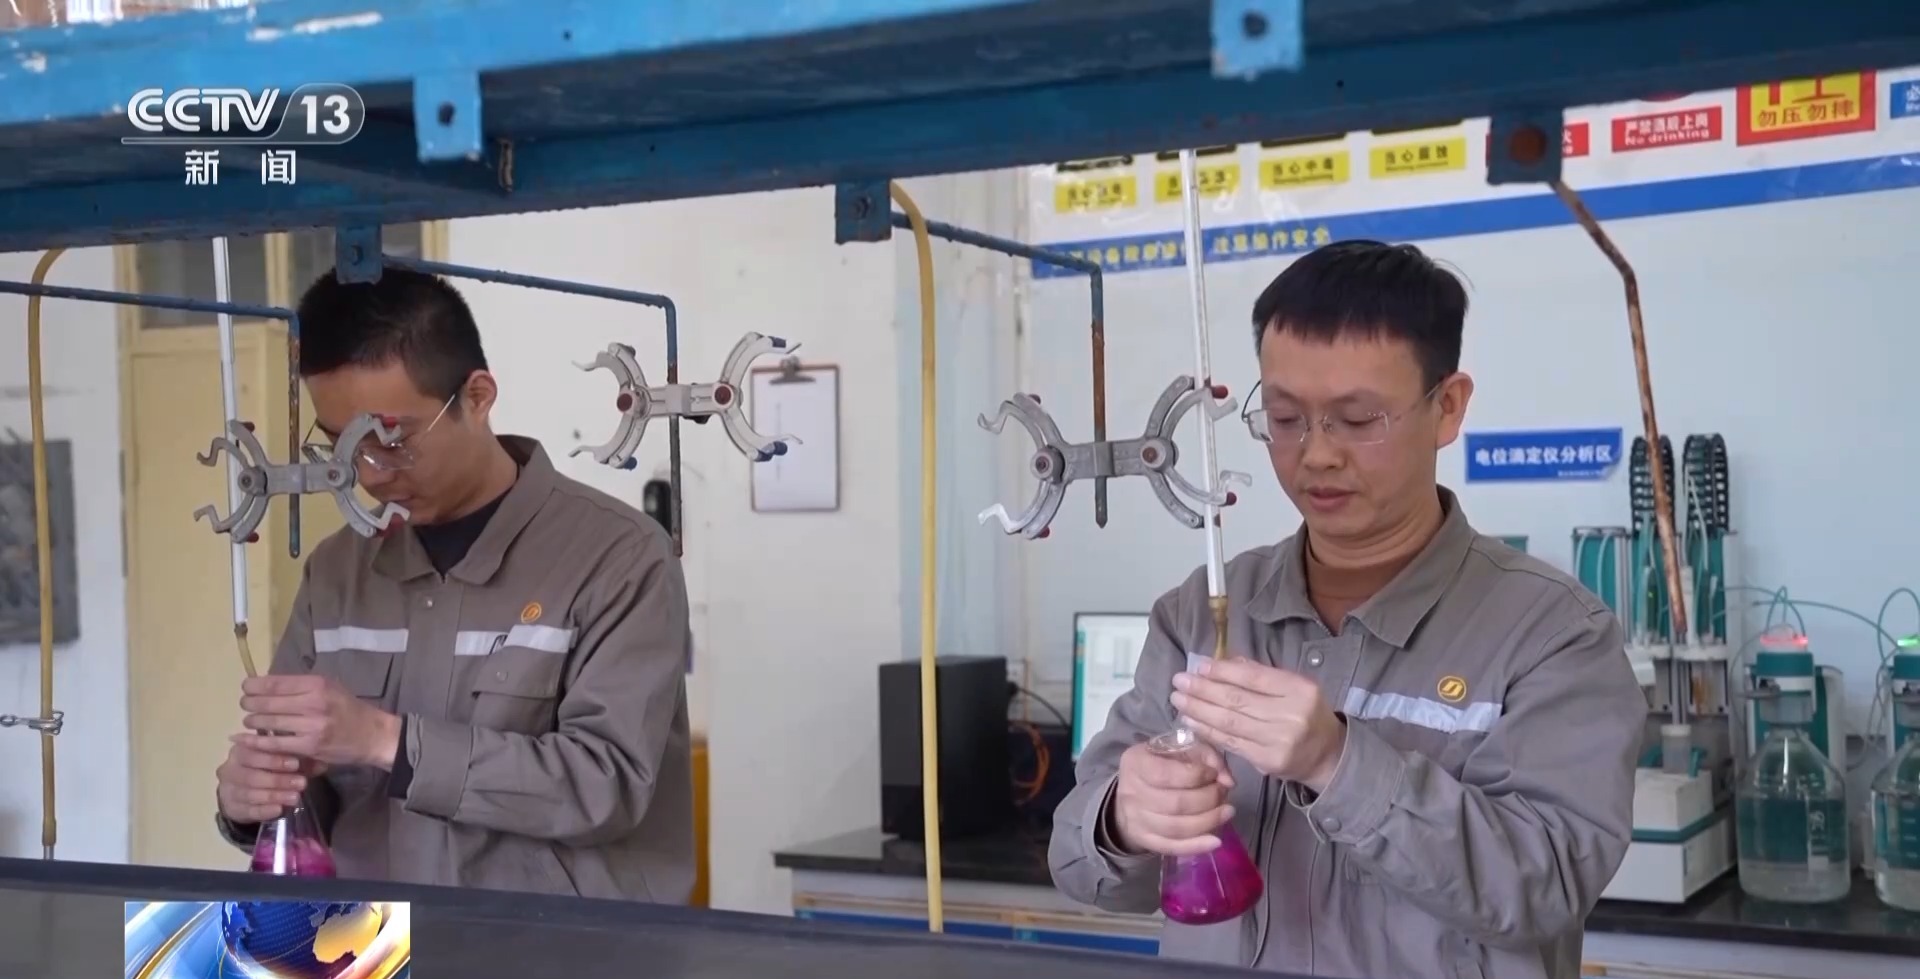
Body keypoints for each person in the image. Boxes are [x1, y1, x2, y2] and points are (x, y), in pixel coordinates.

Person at [1049, 241, 1644, 979]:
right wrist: (1123, 819)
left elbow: (1544, 885)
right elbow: (1078, 864)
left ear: (1447, 406)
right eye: (1285, 417)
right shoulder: (1200, 615)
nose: (1317, 454)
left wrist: (1337, 763)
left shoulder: (1553, 635)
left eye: (1358, 419)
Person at [213, 267, 696, 903]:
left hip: (554, 945)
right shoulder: (337, 571)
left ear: (477, 396)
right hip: (372, 944)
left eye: (393, 440)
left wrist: (386, 741)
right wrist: (251, 801)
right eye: (341, 446)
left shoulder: (618, 558)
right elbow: (308, 788)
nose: (370, 474)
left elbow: (606, 783)